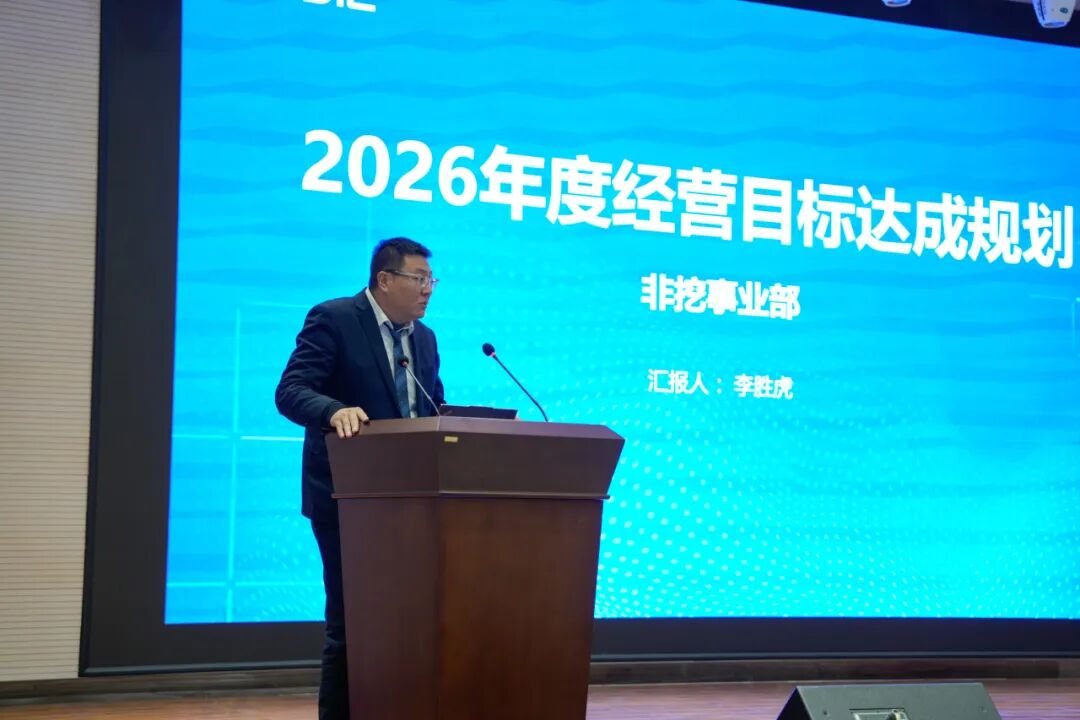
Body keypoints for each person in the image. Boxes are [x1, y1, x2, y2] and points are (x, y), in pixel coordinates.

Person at [275, 237, 445, 720]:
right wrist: (334, 410)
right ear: (384, 279)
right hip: (347, 497)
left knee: (404, 624)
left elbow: (431, 406)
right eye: (419, 279)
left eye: (432, 280)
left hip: (412, 503)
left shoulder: (424, 338)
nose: (428, 289)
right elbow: (290, 391)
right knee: (351, 625)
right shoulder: (334, 319)